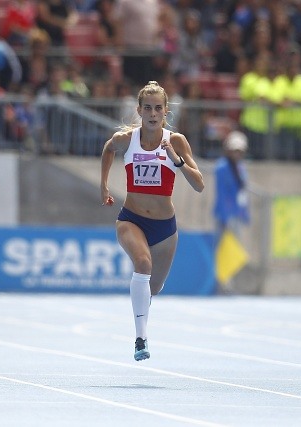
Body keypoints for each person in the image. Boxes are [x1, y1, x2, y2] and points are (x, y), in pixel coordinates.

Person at [100, 81, 204, 361]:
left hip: (165, 228)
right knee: (142, 264)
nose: (153, 113)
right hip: (131, 219)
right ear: (139, 111)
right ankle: (140, 339)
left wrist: (178, 161)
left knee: (153, 288)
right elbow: (109, 149)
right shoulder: (128, 139)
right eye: (148, 108)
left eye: (158, 108)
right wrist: (104, 186)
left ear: (166, 112)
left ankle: (141, 311)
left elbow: (200, 185)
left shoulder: (177, 141)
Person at [213, 130, 250, 238]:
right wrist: (225, 216)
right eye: (234, 150)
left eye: (239, 151)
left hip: (237, 213)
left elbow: (242, 190)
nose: (237, 154)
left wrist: (244, 212)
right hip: (225, 215)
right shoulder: (222, 167)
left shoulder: (240, 166)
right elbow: (222, 192)